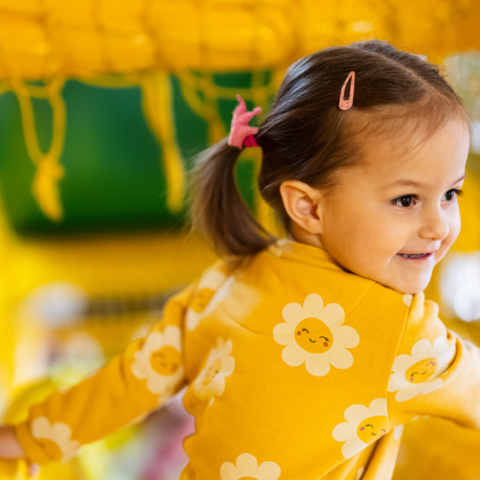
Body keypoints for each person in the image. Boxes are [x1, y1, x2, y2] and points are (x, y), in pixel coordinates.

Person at [1, 38, 479, 480]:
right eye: (406, 200)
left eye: (451, 193)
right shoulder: (400, 333)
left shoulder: (230, 280)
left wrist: (22, 440)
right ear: (308, 207)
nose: (439, 227)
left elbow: (129, 382)